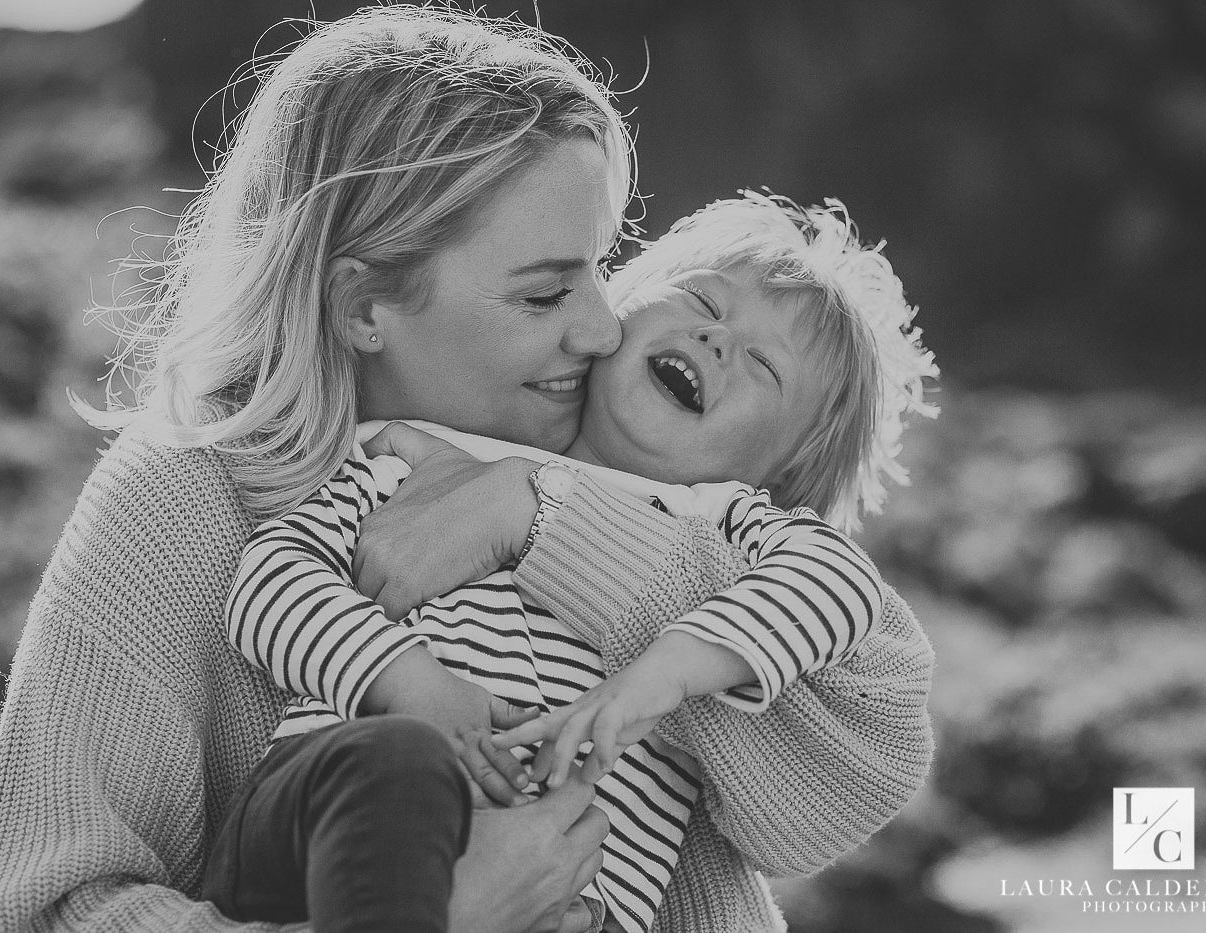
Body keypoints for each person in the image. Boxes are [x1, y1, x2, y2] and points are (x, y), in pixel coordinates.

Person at [0, 8, 632, 933]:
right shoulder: (181, 504)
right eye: (546, 292)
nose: (603, 329)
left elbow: (838, 773)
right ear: (361, 304)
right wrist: (447, 918)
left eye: (604, 267)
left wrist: (549, 517)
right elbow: (26, 911)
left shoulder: (611, 451)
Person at [217, 193, 939, 933]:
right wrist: (412, 687)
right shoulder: (429, 454)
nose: (717, 339)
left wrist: (661, 677)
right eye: (701, 298)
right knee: (401, 767)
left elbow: (844, 588)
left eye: (763, 364)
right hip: (337, 807)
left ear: (779, 478)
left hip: (564, 899)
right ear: (611, 316)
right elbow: (271, 583)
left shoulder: (726, 526)